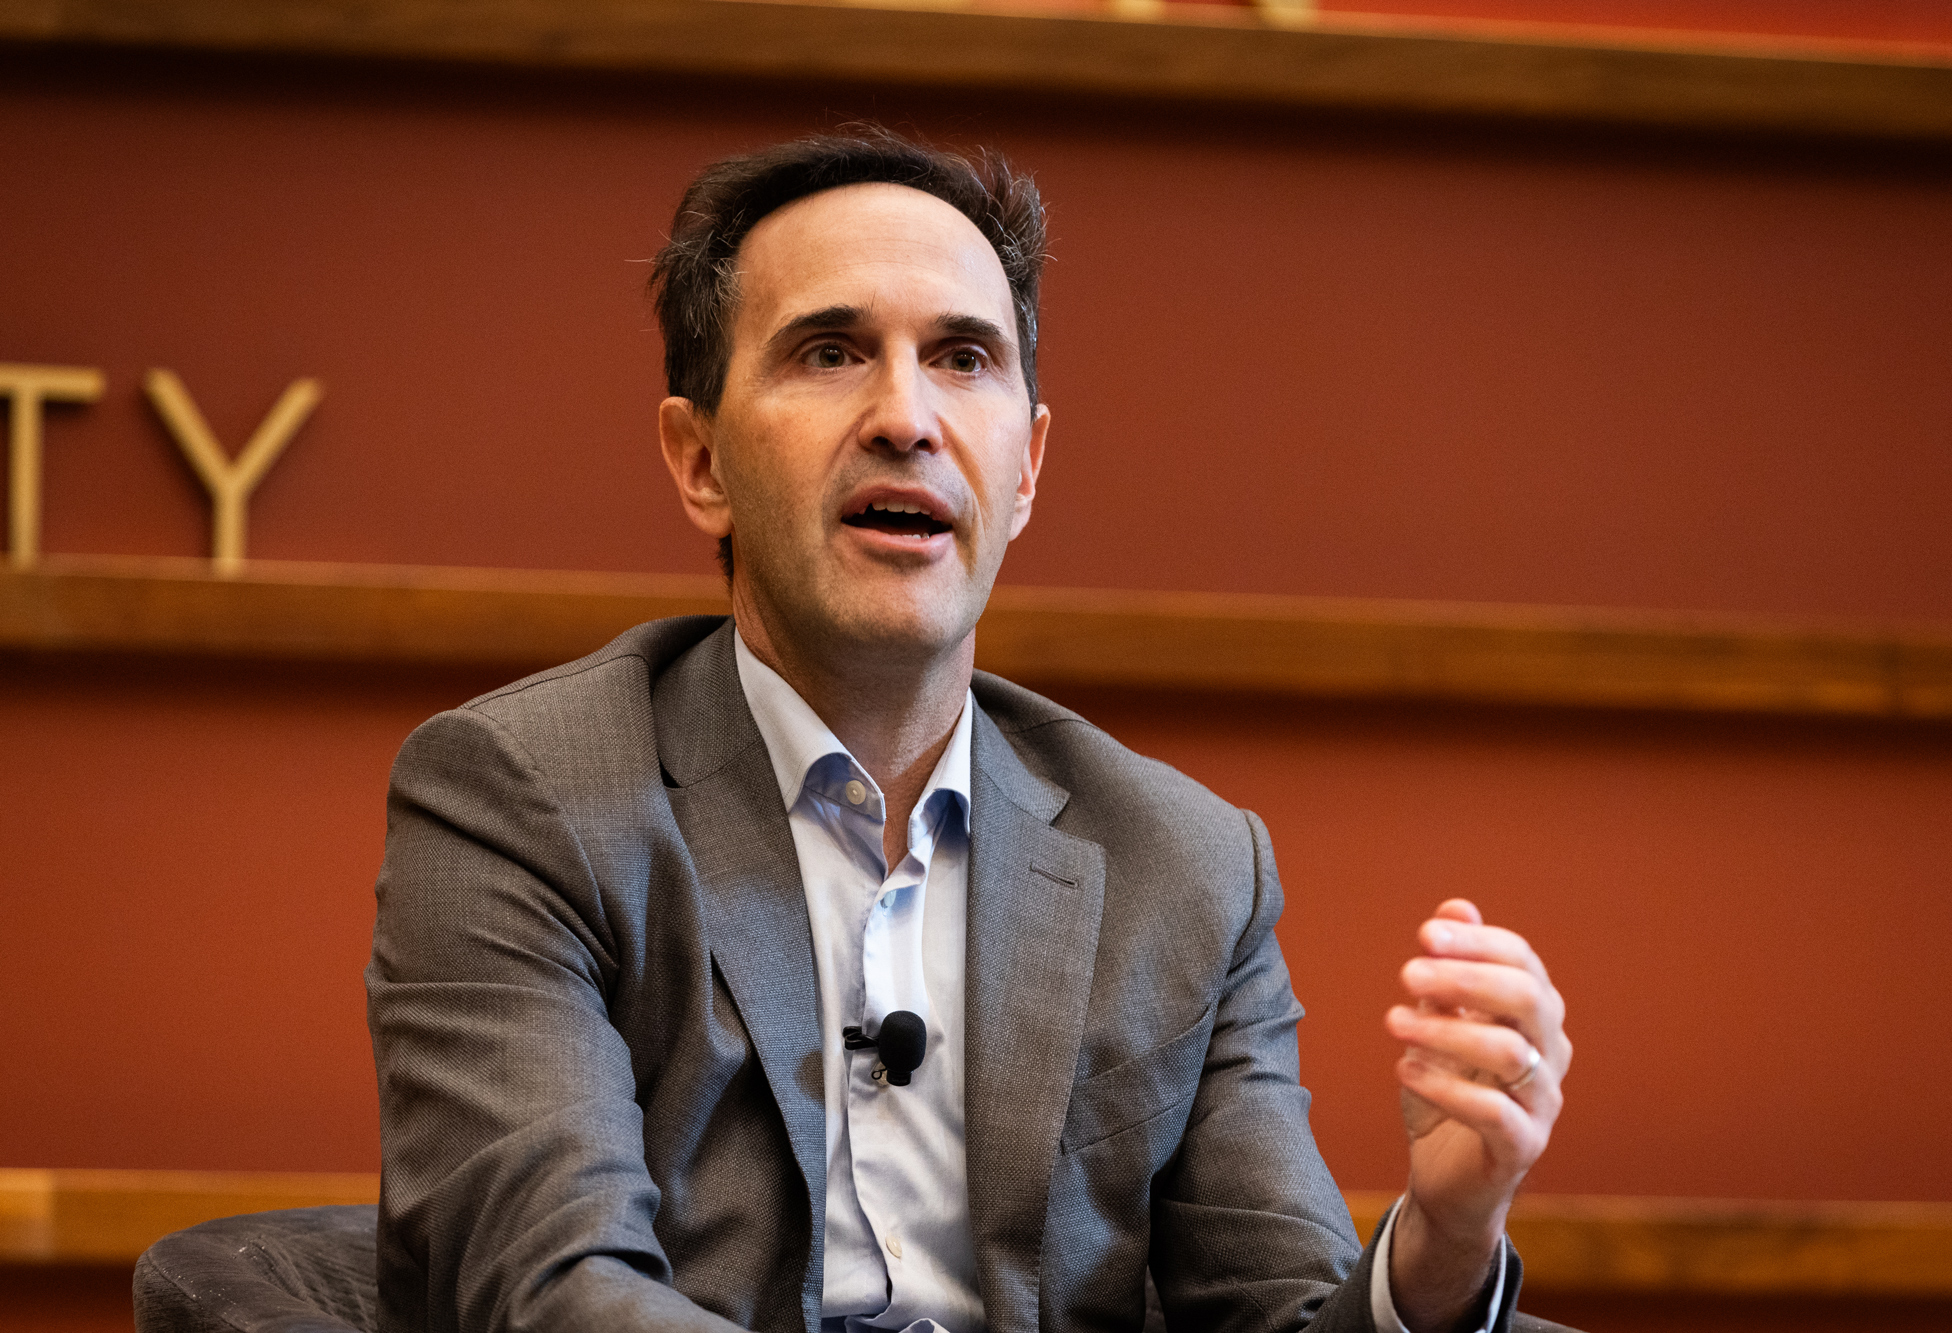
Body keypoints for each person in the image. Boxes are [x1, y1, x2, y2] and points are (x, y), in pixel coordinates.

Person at [366, 129, 1572, 1333]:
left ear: (1028, 465)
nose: (905, 415)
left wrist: (1441, 1245)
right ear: (699, 460)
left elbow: (1280, 1314)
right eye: (829, 352)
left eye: (961, 358)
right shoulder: (521, 796)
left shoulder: (1185, 865)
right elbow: (548, 1295)